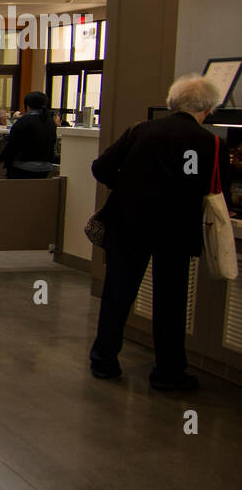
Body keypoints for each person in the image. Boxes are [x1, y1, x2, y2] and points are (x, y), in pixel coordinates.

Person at [88, 75, 228, 392]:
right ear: (207, 108)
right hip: (176, 229)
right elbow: (212, 187)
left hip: (130, 223)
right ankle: (168, 371)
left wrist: (126, 185)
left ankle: (104, 360)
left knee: (118, 293)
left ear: (172, 102)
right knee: (171, 299)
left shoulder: (141, 130)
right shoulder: (210, 142)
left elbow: (101, 167)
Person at [0, 91, 56, 179]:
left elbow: (13, 144)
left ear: (27, 105)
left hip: (22, 167)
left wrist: (1, 158)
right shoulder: (50, 122)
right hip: (45, 168)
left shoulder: (23, 121)